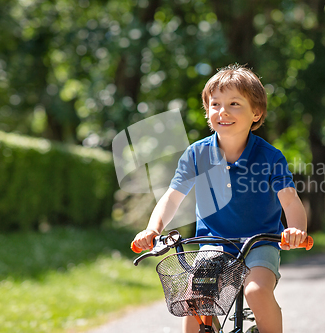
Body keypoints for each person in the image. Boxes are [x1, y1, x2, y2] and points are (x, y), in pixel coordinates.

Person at [132, 64, 308, 333]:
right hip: (213, 243)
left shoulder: (270, 157)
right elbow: (172, 197)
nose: (222, 111)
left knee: (257, 291)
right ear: (207, 112)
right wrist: (153, 229)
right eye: (215, 104)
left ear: (256, 113)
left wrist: (296, 229)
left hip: (259, 242)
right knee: (195, 300)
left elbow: (290, 200)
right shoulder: (196, 154)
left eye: (234, 104)